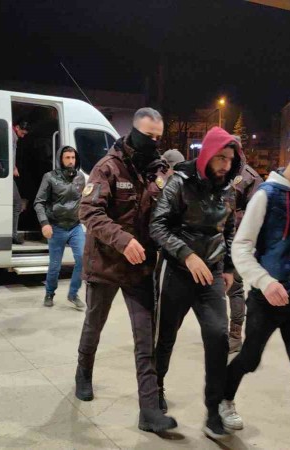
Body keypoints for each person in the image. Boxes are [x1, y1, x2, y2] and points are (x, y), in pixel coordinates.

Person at [224, 126, 290, 449]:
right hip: (265, 300)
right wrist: (265, 282)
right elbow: (241, 247)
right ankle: (222, 398)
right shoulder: (265, 196)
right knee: (249, 359)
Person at [74, 108, 177, 433]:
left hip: (140, 269)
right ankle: (83, 371)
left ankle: (149, 410)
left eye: (158, 137)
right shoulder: (107, 167)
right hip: (105, 265)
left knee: (145, 339)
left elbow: (166, 215)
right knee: (94, 326)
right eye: (148, 136)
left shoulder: (159, 172)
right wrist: (123, 240)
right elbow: (88, 211)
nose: (153, 143)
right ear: (133, 132)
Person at [150, 126, 241, 440]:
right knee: (165, 337)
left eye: (230, 159)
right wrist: (186, 255)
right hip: (176, 271)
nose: (225, 165)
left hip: (211, 275)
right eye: (220, 158)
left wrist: (228, 267)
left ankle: (214, 411)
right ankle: (155, 390)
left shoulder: (228, 190)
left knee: (218, 337)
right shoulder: (179, 182)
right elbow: (157, 226)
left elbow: (228, 230)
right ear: (207, 155)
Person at [33, 145, 86, 309]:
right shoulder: (50, 177)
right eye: (67, 158)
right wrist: (44, 223)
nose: (71, 161)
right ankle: (49, 293)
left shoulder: (80, 177)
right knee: (55, 265)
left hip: (75, 226)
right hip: (56, 226)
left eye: (73, 158)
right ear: (60, 160)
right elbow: (39, 202)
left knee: (82, 258)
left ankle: (73, 294)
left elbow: (84, 200)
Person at [227, 141, 263, 353]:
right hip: (212, 240)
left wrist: (230, 217)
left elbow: (256, 214)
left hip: (237, 241)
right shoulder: (218, 170)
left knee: (235, 288)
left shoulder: (250, 178)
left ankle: (235, 334)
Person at [12, 119, 29, 245]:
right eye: (22, 133)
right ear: (17, 127)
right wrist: (13, 168)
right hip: (9, 176)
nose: (23, 136)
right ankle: (13, 235)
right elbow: (10, 154)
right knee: (17, 204)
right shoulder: (12, 136)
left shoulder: (12, 135)